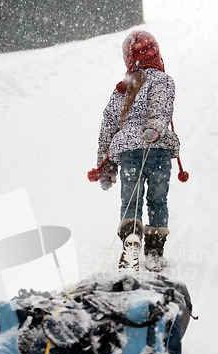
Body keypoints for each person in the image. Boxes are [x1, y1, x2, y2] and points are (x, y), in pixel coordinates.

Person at [96, 30, 180, 272]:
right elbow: (161, 106)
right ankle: (154, 253)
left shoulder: (122, 88)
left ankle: (131, 240)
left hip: (130, 154)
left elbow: (108, 125)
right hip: (159, 153)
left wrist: (105, 165)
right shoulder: (163, 81)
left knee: (130, 202)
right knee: (157, 201)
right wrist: (154, 127)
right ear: (155, 53)